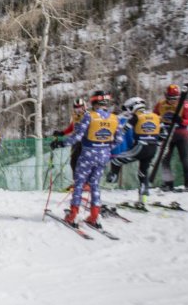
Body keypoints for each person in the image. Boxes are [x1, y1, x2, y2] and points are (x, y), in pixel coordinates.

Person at [52, 90, 124, 227]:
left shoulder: (89, 116)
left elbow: (77, 137)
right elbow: (119, 139)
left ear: (93, 102)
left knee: (79, 183)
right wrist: (107, 148)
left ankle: (73, 214)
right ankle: (94, 214)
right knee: (95, 184)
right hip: (103, 155)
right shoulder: (115, 118)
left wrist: (61, 143)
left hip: (88, 154)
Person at [108, 97, 162, 206]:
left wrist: (112, 138)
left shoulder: (135, 116)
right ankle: (143, 199)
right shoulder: (156, 116)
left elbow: (123, 130)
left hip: (141, 147)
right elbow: (163, 134)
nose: (128, 112)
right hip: (153, 148)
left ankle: (112, 177)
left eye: (128, 109)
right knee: (143, 172)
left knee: (117, 160)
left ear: (133, 106)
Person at [154, 84, 188, 191]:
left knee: (184, 158)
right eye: (170, 98)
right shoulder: (160, 104)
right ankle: (168, 183)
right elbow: (154, 116)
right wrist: (159, 124)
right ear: (166, 96)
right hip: (166, 134)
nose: (172, 101)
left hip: (181, 134)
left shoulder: (184, 105)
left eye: (175, 98)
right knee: (165, 159)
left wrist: (181, 121)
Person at [52, 98, 87, 183]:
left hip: (86, 143)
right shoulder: (74, 116)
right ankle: (77, 182)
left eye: (80, 107)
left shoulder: (87, 116)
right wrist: (62, 133)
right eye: (76, 107)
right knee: (73, 161)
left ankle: (86, 183)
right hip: (75, 142)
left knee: (83, 162)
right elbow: (72, 127)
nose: (78, 109)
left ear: (84, 107)